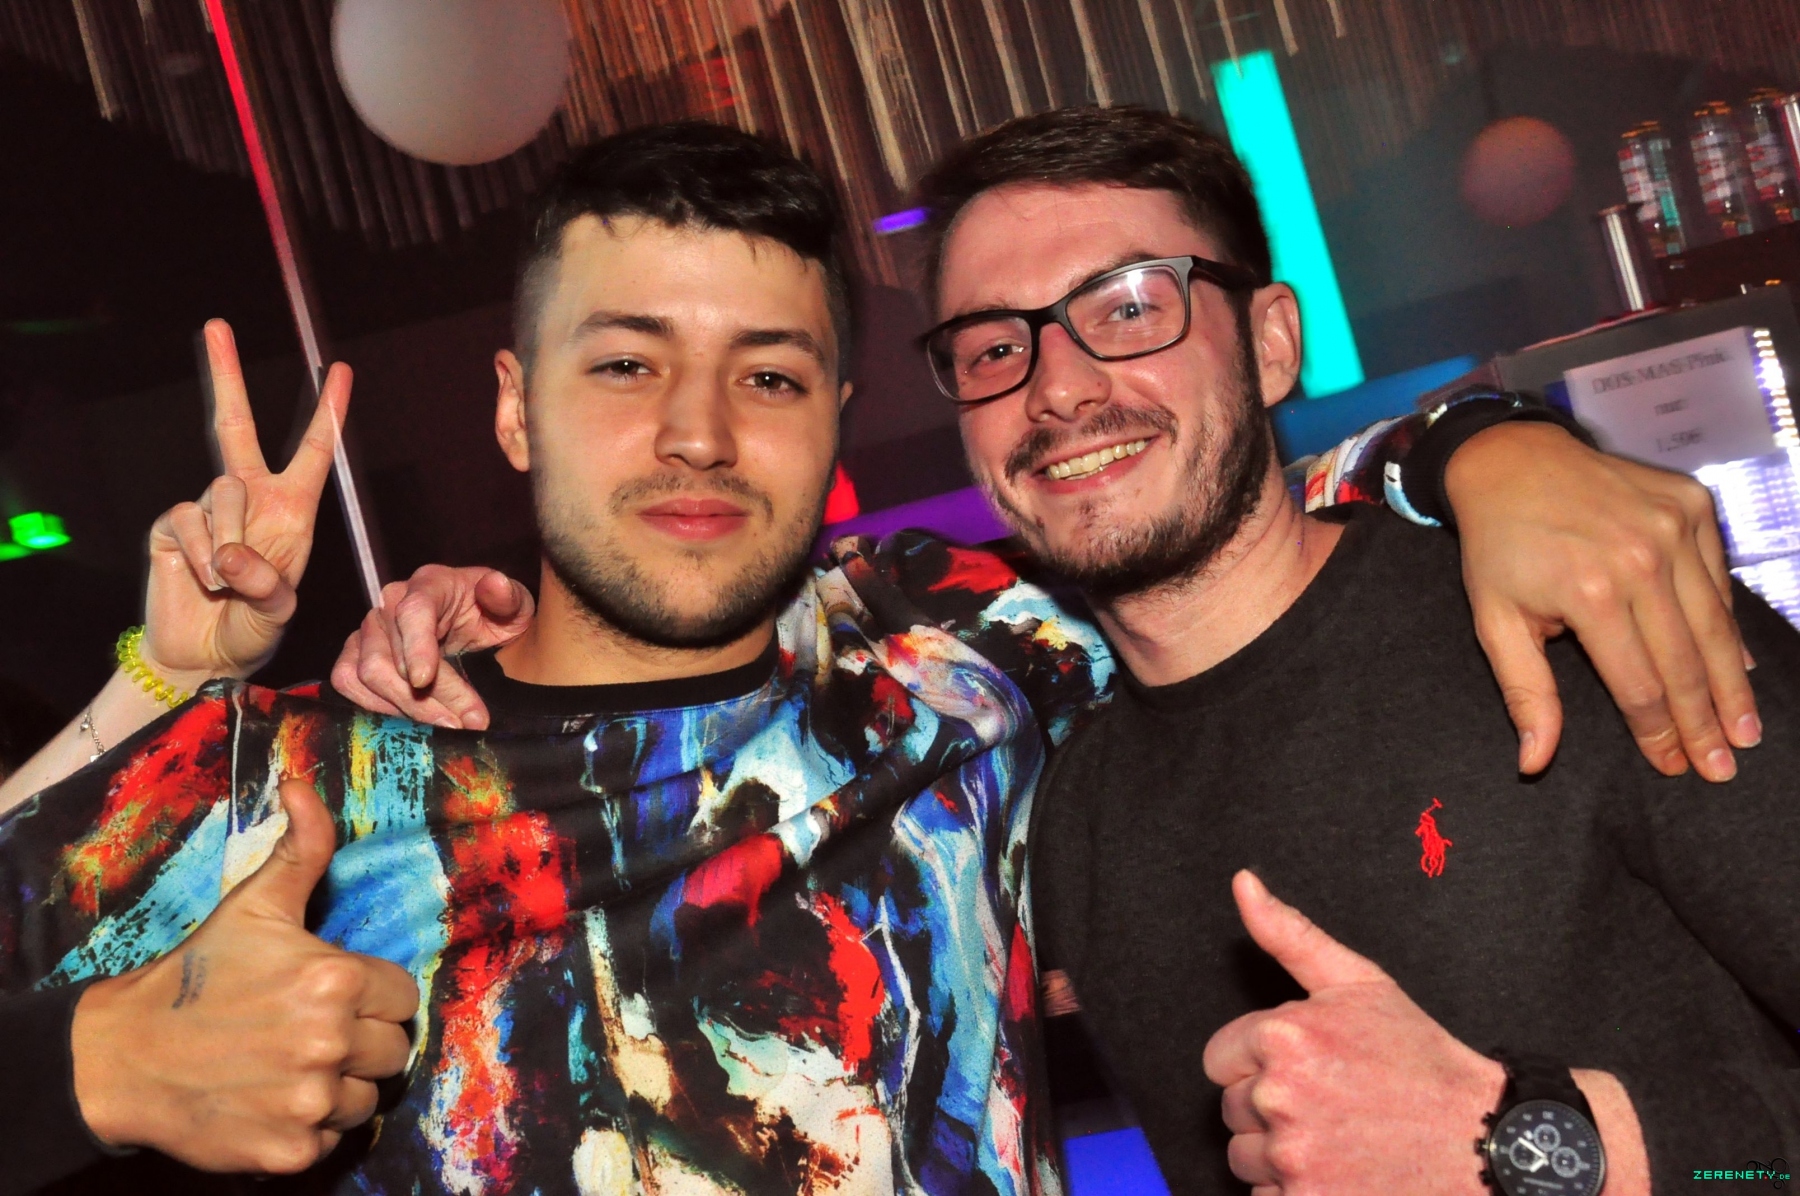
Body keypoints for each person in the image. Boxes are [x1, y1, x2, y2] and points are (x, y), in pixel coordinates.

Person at [0, 118, 1757, 1193]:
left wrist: (1486, 441)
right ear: (517, 409)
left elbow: (1196, 506)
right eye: (625, 365)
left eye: (767, 373)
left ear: (838, 415)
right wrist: (99, 1061)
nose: (698, 432)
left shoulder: (961, 660)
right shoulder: (309, 778)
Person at [896, 106, 1793, 1193]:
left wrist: (1535, 1143)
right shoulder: (1082, 819)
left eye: (1129, 307)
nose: (1060, 388)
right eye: (994, 346)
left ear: (1271, 343)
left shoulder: (1581, 619)